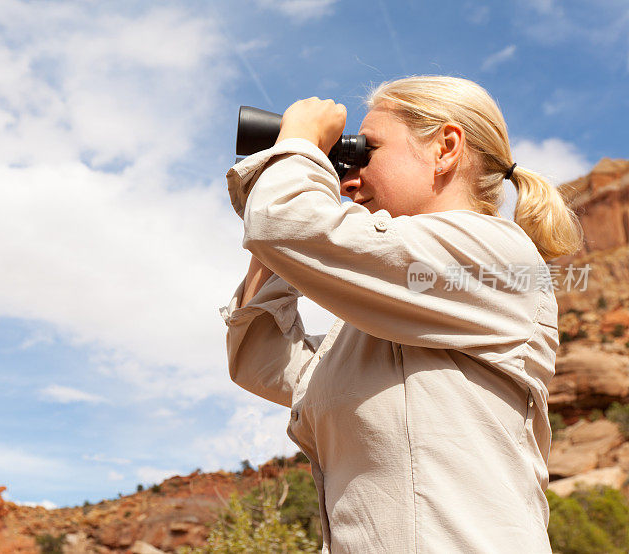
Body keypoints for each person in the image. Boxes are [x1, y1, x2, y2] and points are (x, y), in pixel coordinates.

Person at [218, 75, 583, 553]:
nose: (349, 179)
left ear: (445, 148)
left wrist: (298, 147)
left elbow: (286, 226)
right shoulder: (382, 318)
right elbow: (260, 359)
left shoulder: (497, 258)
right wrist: (288, 194)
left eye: (365, 153)